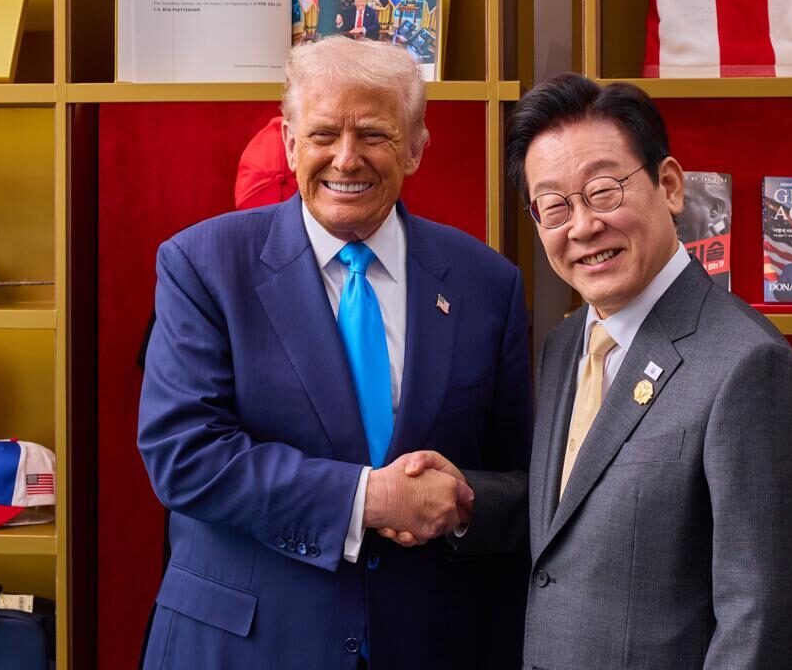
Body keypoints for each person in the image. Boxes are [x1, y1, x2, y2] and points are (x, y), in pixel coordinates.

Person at [137, 36, 530, 670]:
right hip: (243, 648)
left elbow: (523, 481)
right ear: (289, 141)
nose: (346, 159)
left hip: (429, 644)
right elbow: (184, 456)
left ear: (416, 147)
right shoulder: (201, 265)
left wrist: (460, 505)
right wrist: (368, 499)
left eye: (373, 134)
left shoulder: (488, 283)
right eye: (323, 134)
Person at [472, 73, 792, 669]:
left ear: (669, 185)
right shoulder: (564, 346)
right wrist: (461, 502)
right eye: (553, 206)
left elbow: (760, 625)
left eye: (603, 190)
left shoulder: (750, 368)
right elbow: (575, 523)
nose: (581, 226)